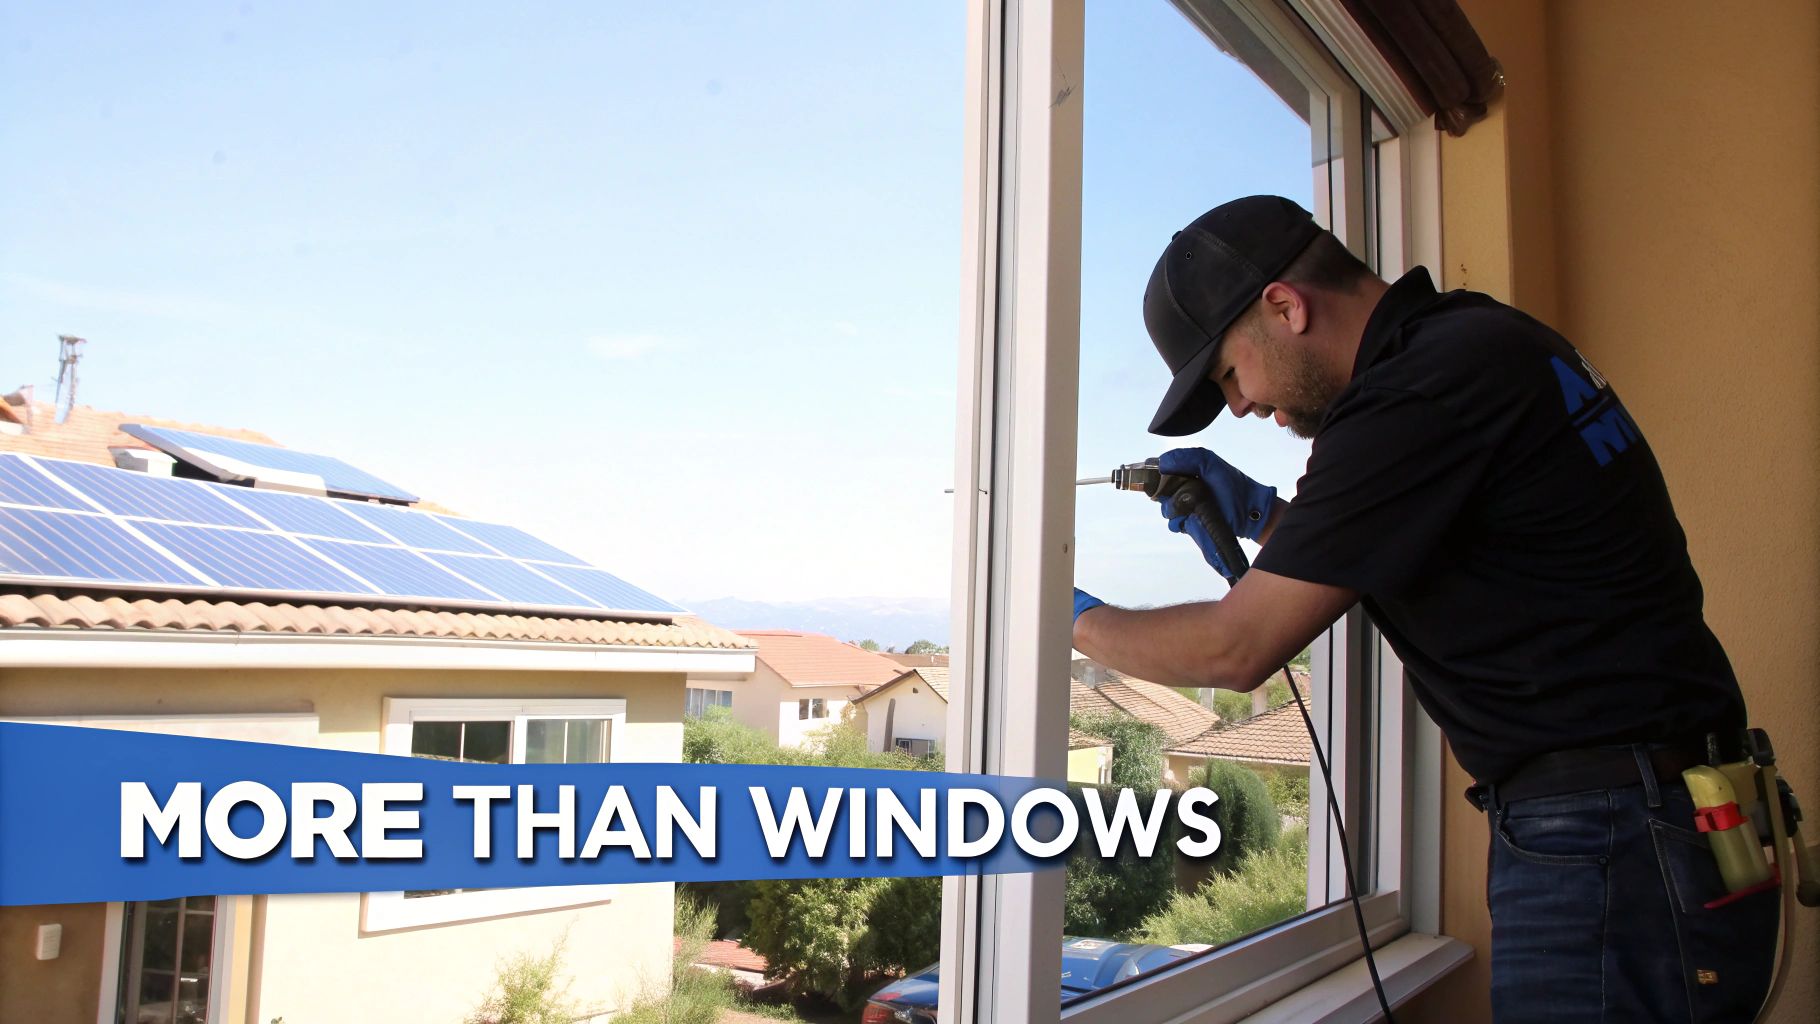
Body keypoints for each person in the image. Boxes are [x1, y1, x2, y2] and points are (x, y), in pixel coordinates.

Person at [1070, 196, 1779, 1023]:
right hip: (1658, 818)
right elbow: (1426, 537)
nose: (1240, 405)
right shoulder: (1477, 341)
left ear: (1285, 306)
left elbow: (1236, 649)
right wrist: (1264, 515)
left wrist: (1064, 616)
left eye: (1229, 373)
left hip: (1611, 839)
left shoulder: (1416, 391)